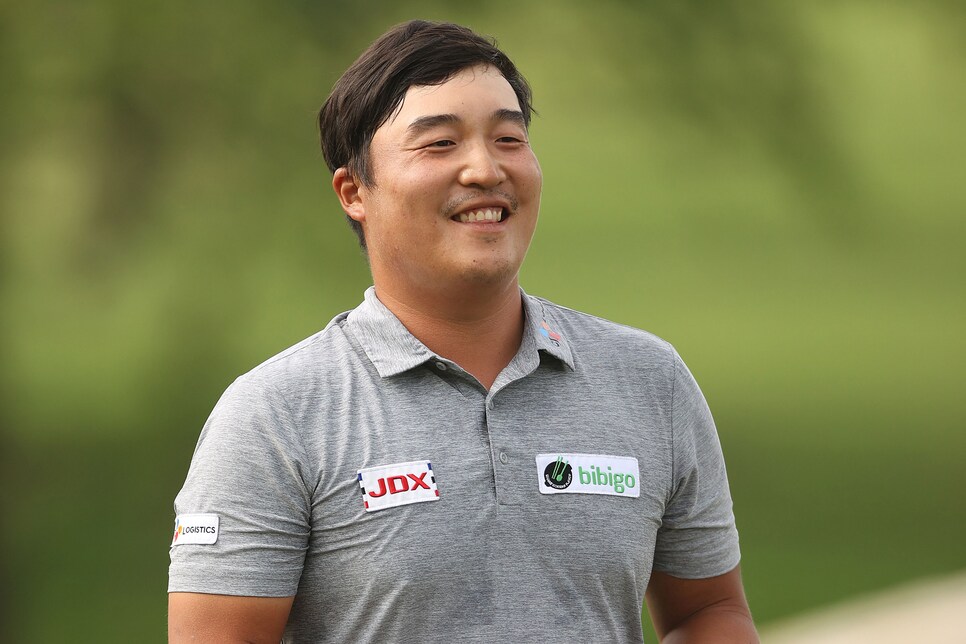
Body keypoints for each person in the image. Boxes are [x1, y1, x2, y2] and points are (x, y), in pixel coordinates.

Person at [167, 19, 758, 643]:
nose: (484, 169)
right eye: (440, 144)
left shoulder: (649, 381)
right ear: (353, 191)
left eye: (508, 137)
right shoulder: (276, 415)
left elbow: (708, 611)